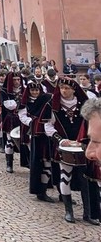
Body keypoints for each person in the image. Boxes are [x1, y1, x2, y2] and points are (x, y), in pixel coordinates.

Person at [45, 78, 97, 224]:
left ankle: (88, 214)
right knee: (65, 176)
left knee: (85, 179)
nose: (64, 91)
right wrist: (61, 140)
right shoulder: (53, 105)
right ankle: (69, 211)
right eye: (61, 88)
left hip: (83, 146)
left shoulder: (84, 105)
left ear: (74, 89)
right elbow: (48, 127)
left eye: (67, 88)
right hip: (65, 146)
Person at [17, 81, 56, 203]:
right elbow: (23, 116)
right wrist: (33, 122)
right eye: (32, 90)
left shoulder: (45, 100)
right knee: (40, 161)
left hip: (48, 134)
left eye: (37, 90)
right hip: (34, 132)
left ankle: (58, 189)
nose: (35, 92)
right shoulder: (25, 103)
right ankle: (41, 191)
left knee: (52, 162)